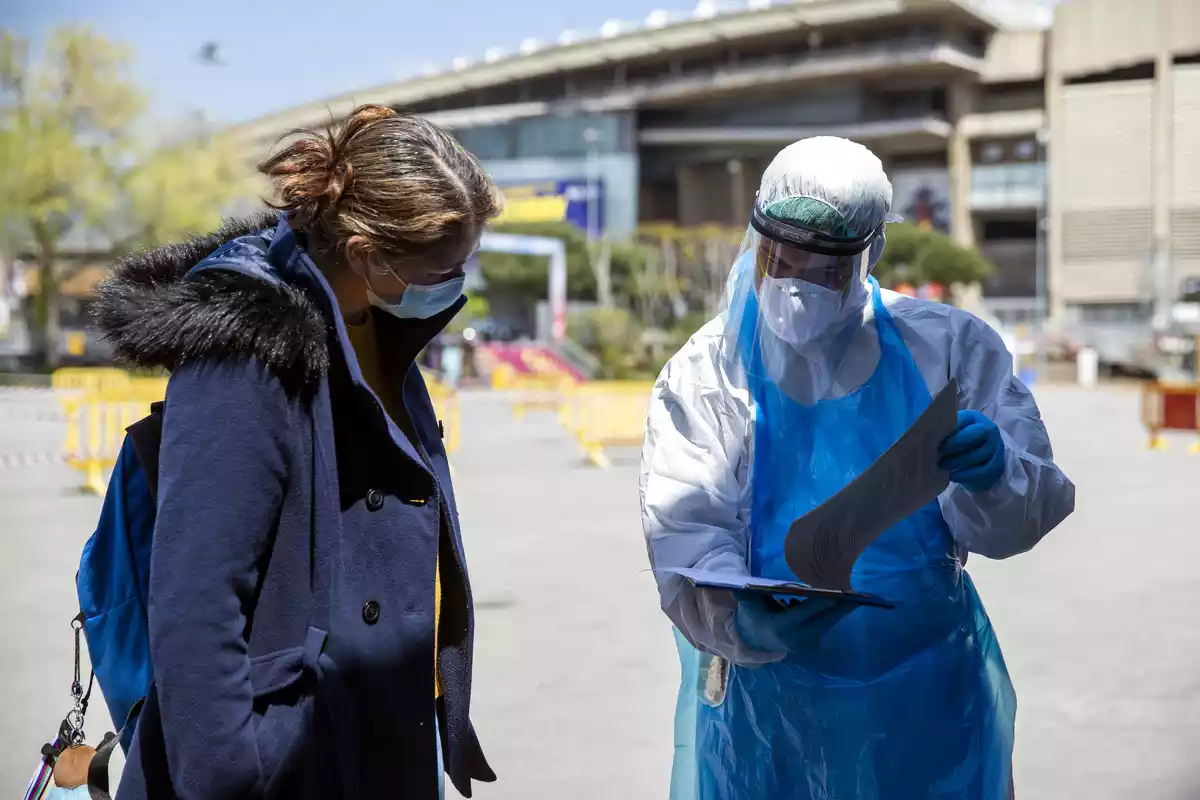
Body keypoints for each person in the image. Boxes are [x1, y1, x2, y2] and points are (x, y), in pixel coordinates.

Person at [640, 136, 1075, 800]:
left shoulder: (950, 349)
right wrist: (737, 618)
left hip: (925, 702)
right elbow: (685, 527)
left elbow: (1016, 523)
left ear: (869, 252)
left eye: (823, 270)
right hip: (772, 711)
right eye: (779, 260)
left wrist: (996, 475)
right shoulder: (709, 371)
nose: (795, 286)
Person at [92, 105, 503, 799]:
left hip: (376, 726)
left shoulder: (378, 327)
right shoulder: (249, 349)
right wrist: (231, 773)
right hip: (285, 754)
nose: (457, 281)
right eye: (444, 266)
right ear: (365, 251)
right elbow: (197, 594)